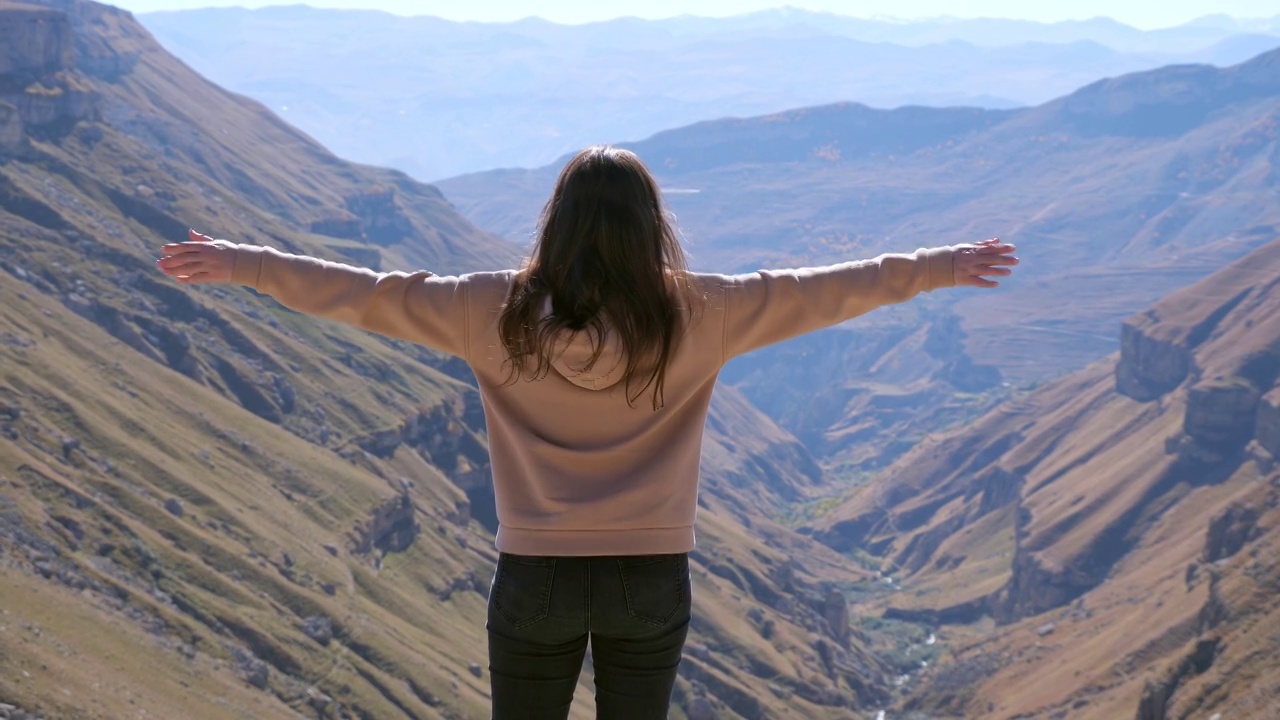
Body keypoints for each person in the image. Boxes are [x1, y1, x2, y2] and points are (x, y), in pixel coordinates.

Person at [157, 145, 1017, 719]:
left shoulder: (487, 307)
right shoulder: (704, 309)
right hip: (652, 575)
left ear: (555, 221)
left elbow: (364, 293)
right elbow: (829, 287)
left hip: (534, 573)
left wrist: (242, 264)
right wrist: (943, 266)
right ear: (653, 226)